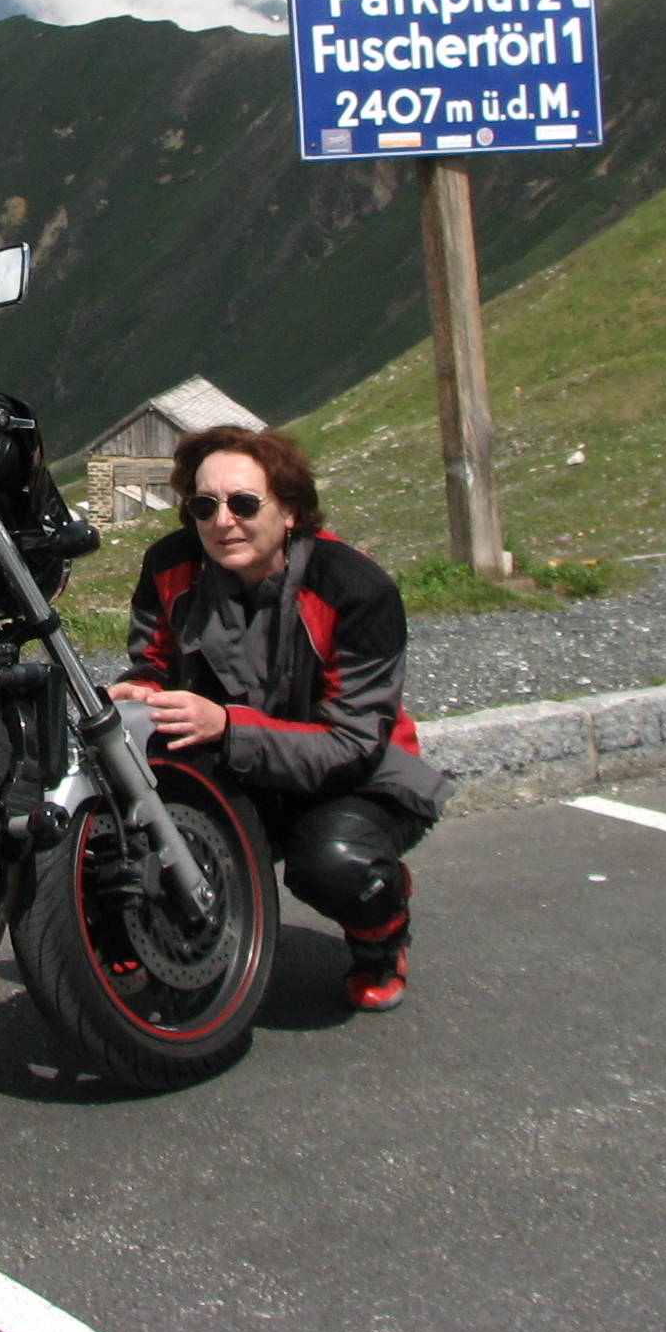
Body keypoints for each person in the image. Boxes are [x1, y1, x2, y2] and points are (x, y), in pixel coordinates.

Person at [108, 425, 446, 1012]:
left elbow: (355, 743)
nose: (222, 522)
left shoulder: (355, 588)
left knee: (332, 863)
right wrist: (140, 692)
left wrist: (228, 727)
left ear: (289, 510)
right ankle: (166, 944)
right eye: (203, 506)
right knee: (123, 820)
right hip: (238, 763)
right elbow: (155, 662)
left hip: (358, 777)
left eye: (243, 504)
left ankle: (380, 929)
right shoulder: (170, 566)